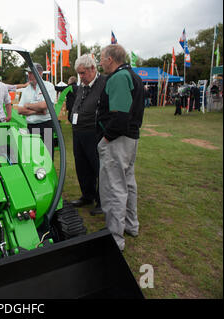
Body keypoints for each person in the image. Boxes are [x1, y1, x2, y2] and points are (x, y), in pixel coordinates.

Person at [97, 44, 145, 251]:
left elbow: (120, 116)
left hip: (118, 139)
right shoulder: (133, 76)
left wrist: (106, 139)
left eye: (101, 58)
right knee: (128, 183)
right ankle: (131, 226)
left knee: (114, 188)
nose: (100, 62)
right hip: (130, 138)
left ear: (110, 59)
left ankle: (114, 237)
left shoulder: (118, 77)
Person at [69, 55, 106, 216]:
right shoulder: (83, 85)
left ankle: (102, 200)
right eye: (79, 73)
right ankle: (87, 195)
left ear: (92, 68)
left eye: (83, 73)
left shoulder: (104, 83)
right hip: (78, 131)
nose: (81, 77)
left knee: (97, 167)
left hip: (94, 132)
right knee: (82, 166)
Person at [17, 62, 56, 159]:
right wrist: (37, 111)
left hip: (46, 125)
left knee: (48, 154)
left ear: (40, 73)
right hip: (31, 127)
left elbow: (45, 105)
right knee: (34, 156)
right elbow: (20, 110)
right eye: (29, 73)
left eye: (32, 73)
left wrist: (28, 106)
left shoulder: (48, 86)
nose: (29, 75)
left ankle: (48, 173)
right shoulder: (26, 89)